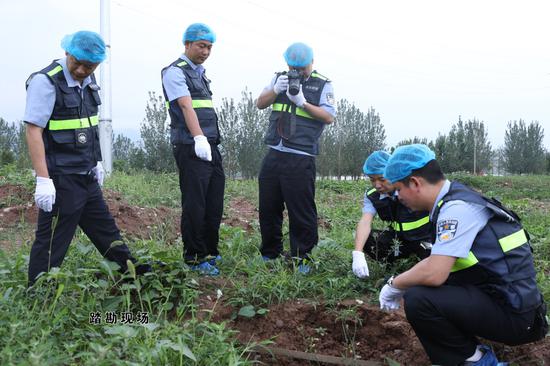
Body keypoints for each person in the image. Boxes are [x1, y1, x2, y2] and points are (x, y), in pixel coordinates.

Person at [378, 144, 548, 366]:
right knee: (426, 290)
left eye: (399, 189)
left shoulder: (456, 209)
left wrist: (394, 284)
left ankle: (478, 361)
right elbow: (437, 261)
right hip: (512, 306)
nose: (398, 196)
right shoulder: (455, 200)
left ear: (415, 183)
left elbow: (434, 273)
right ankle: (466, 352)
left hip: (515, 317)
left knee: (419, 300)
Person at [24, 31, 151, 285]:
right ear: (67, 53)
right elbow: (33, 130)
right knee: (52, 241)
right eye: (77, 63)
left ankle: (135, 278)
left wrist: (97, 161)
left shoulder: (89, 82)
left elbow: (90, 126)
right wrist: (43, 179)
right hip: (61, 177)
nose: (82, 70)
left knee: (106, 231)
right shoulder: (46, 81)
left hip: (86, 174)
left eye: (90, 65)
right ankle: (38, 292)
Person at [256, 42, 335, 274]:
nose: (297, 71)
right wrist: (275, 91)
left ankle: (303, 257)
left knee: (301, 209)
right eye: (292, 67)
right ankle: (270, 253)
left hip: (301, 156)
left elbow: (328, 116)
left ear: (312, 61)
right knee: (268, 206)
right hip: (275, 152)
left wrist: (303, 102)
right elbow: (260, 103)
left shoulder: (323, 83)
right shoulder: (278, 78)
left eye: (301, 67)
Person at [161, 23, 224, 276]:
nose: (206, 51)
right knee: (195, 203)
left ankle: (210, 250)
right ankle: (194, 257)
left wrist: (209, 141)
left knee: (214, 201)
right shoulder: (175, 72)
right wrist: (198, 138)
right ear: (186, 44)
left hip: (210, 145)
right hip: (191, 145)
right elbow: (186, 107)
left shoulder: (201, 74)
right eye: (201, 46)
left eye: (209, 47)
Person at [351, 150, 432, 279]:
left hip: (424, 238)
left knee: (430, 264)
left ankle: (419, 264)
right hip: (398, 240)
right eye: (372, 180)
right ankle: (391, 264)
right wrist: (358, 253)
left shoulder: (412, 188)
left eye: (382, 179)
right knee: (362, 238)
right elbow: (365, 221)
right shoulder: (373, 195)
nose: (377, 185)